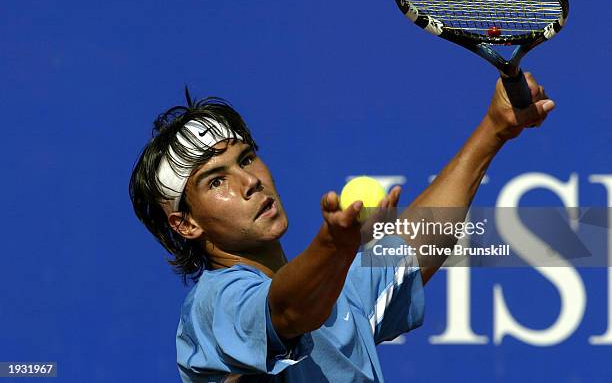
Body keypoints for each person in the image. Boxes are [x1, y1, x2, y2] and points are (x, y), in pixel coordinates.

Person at [129, 75, 555, 382]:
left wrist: (495, 129)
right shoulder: (213, 305)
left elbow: (415, 241)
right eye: (216, 181)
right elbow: (289, 311)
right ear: (185, 223)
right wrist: (334, 245)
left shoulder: (335, 296)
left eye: (246, 159)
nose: (250, 181)